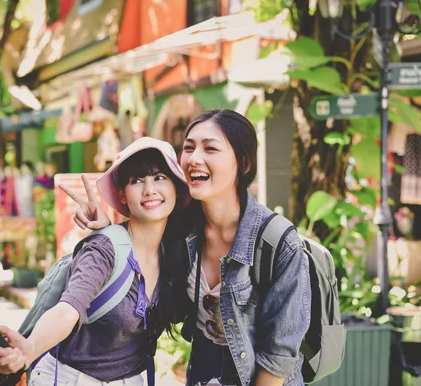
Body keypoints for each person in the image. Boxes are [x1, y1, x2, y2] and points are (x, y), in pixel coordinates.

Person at [67, 109, 311, 386]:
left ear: (243, 163)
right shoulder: (181, 229)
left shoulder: (279, 242)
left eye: (210, 148)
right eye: (189, 148)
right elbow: (137, 245)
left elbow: (279, 357)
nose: (194, 159)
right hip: (203, 375)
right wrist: (107, 226)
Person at [0, 137, 191, 386]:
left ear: (176, 188)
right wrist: (29, 349)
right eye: (137, 180)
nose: (149, 189)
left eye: (160, 177)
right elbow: (67, 310)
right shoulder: (103, 250)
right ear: (122, 195)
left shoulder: (175, 254)